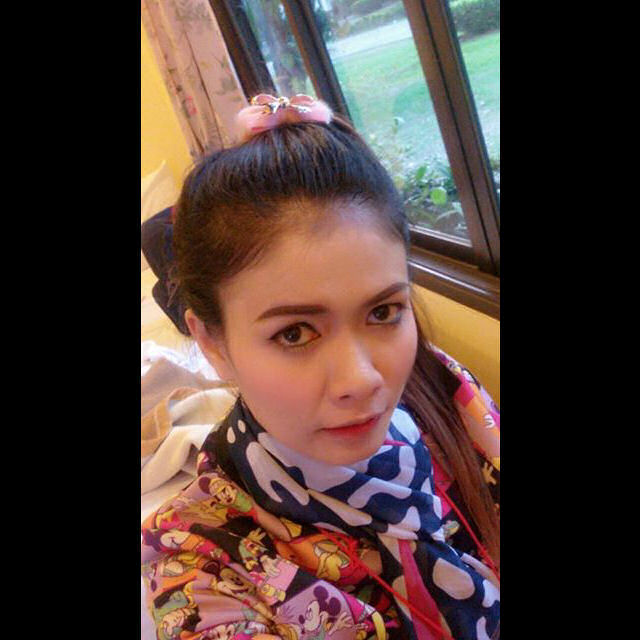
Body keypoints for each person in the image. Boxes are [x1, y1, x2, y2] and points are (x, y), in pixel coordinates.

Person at [141, 93, 500, 640]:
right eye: (294, 333)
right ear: (212, 341)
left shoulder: (444, 388)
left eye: (383, 312)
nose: (363, 380)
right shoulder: (204, 568)